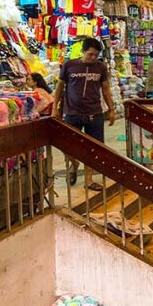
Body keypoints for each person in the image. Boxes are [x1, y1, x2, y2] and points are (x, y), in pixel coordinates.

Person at [53, 37, 116, 191]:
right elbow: (60, 87)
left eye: (95, 55)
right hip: (72, 113)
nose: (93, 58)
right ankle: (74, 164)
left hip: (94, 114)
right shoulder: (69, 66)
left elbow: (106, 89)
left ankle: (88, 179)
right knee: (68, 146)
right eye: (90, 54)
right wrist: (55, 108)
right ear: (83, 51)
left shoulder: (100, 67)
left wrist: (111, 109)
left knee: (93, 148)